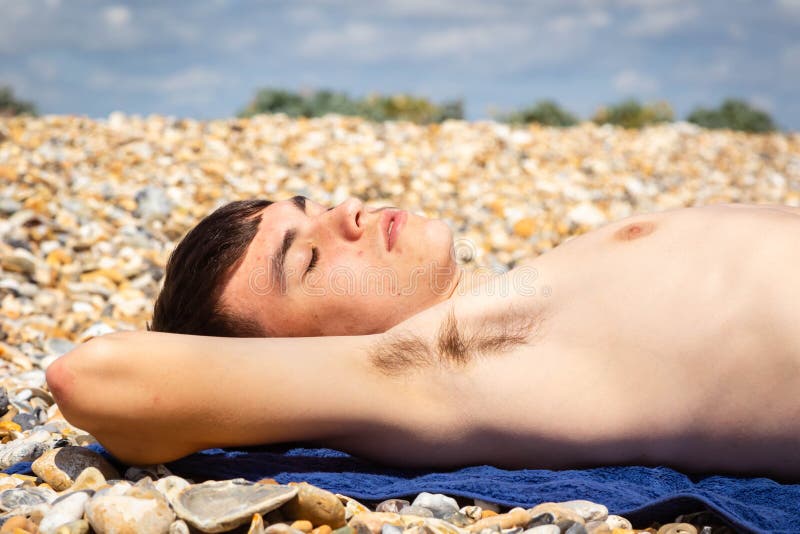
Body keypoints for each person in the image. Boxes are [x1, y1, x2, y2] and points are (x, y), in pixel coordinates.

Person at [45, 198, 800, 481]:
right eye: (307, 259)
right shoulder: (426, 369)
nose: (345, 212)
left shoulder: (511, 298)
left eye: (306, 208)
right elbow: (95, 378)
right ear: (288, 354)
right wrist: (305, 382)